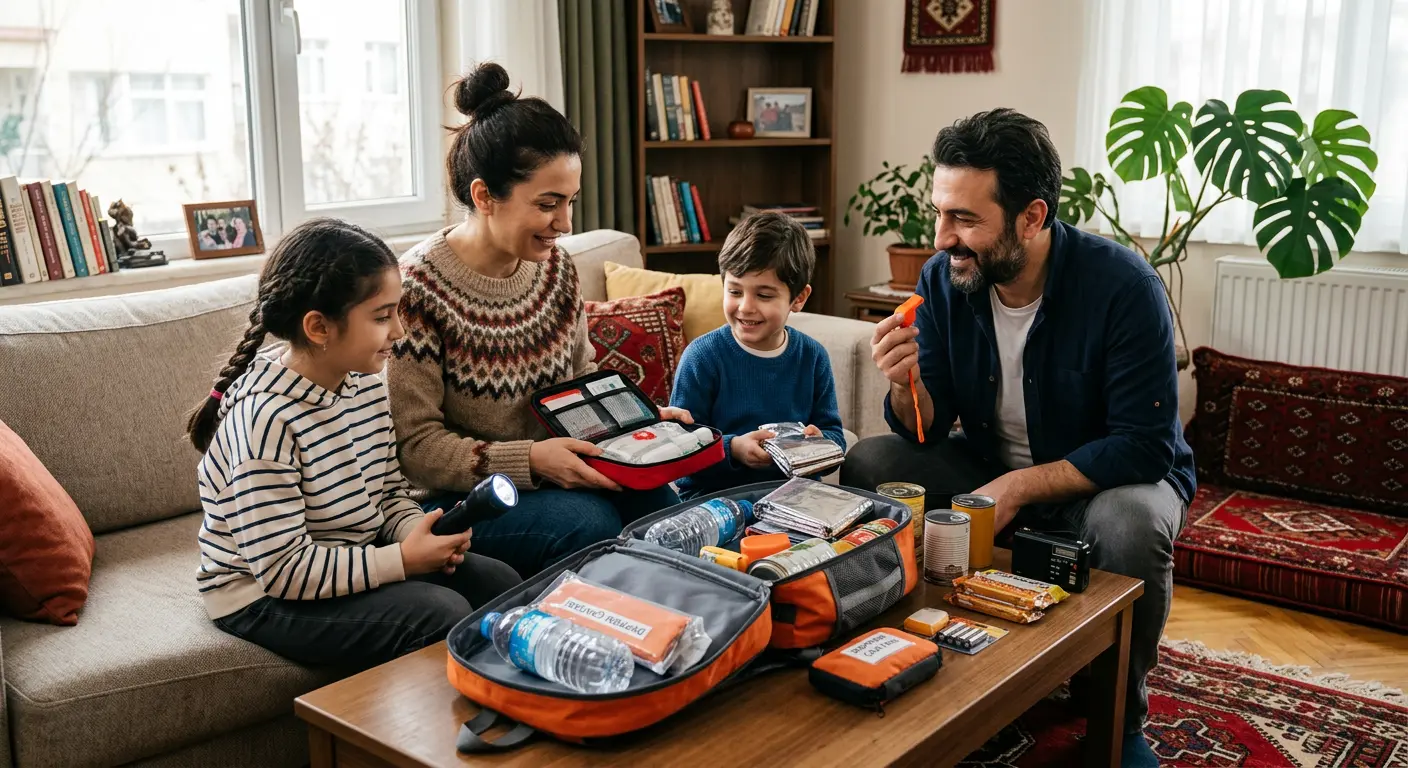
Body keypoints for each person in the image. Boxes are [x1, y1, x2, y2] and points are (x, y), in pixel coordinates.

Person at [839, 109, 1194, 768]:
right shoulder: (944, 279)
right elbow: (923, 425)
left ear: (1032, 218)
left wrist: (1017, 486)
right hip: (985, 463)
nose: (942, 237)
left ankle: (1119, 717)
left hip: (1106, 480)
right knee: (872, 463)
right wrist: (901, 382)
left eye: (965, 220)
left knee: (1133, 525)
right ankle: (925, 653)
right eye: (941, 212)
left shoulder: (1123, 287)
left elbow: (1146, 445)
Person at [389, 62, 687, 579]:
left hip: (555, 470)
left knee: (663, 503)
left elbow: (578, 388)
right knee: (587, 521)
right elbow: (415, 448)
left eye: (569, 202)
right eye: (548, 204)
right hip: (460, 499)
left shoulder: (556, 270)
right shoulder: (416, 289)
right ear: (485, 197)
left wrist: (636, 422)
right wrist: (530, 460)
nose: (566, 224)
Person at [187, 217, 521, 669]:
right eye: (382, 317)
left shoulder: (363, 381)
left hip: (348, 558)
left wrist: (415, 534)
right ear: (319, 328)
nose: (400, 332)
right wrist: (401, 561)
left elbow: (387, 491)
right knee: (439, 614)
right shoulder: (265, 420)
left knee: (500, 581)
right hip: (262, 594)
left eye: (397, 311)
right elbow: (285, 570)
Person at [670, 212, 844, 499]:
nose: (746, 307)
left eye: (764, 296)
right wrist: (733, 449)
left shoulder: (813, 357)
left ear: (798, 298)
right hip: (714, 499)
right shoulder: (702, 357)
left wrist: (820, 444)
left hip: (794, 496)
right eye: (735, 291)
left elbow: (834, 435)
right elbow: (681, 451)